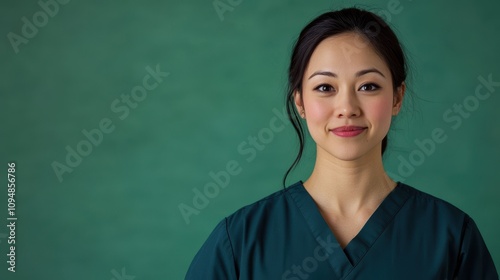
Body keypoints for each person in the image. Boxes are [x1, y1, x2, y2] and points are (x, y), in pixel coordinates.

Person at [185, 7, 498, 279]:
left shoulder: (451, 238)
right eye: (325, 87)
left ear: (397, 97)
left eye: (368, 85)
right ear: (300, 102)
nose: (347, 107)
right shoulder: (239, 241)